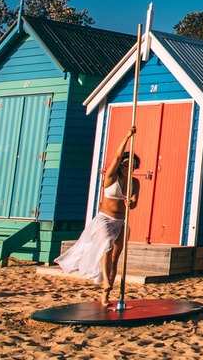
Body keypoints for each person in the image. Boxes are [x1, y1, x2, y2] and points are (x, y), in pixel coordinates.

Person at [55, 126, 141, 306]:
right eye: (125, 165)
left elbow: (134, 203)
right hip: (104, 219)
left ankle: (106, 293)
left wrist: (130, 203)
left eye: (131, 166)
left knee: (116, 257)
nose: (127, 168)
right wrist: (127, 136)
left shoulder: (135, 182)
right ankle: (106, 282)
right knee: (106, 245)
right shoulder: (111, 177)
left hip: (120, 221)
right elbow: (117, 157)